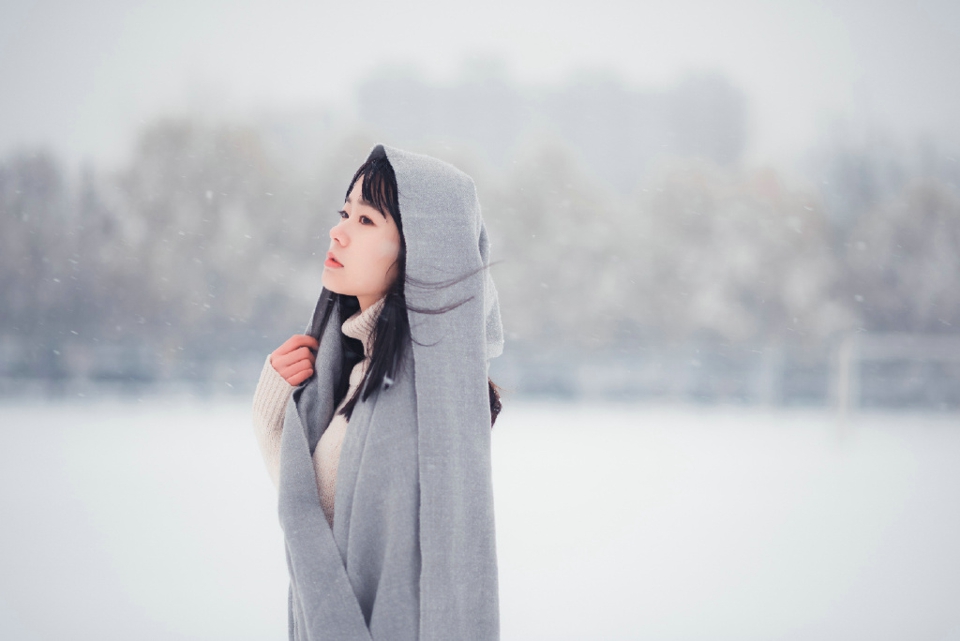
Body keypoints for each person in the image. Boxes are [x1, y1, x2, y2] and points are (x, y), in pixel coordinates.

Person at [251, 144, 503, 641]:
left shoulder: (420, 399)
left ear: (420, 251)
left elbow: (398, 581)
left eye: (367, 221)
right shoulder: (361, 373)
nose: (338, 230)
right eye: (345, 212)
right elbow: (323, 529)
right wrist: (274, 412)